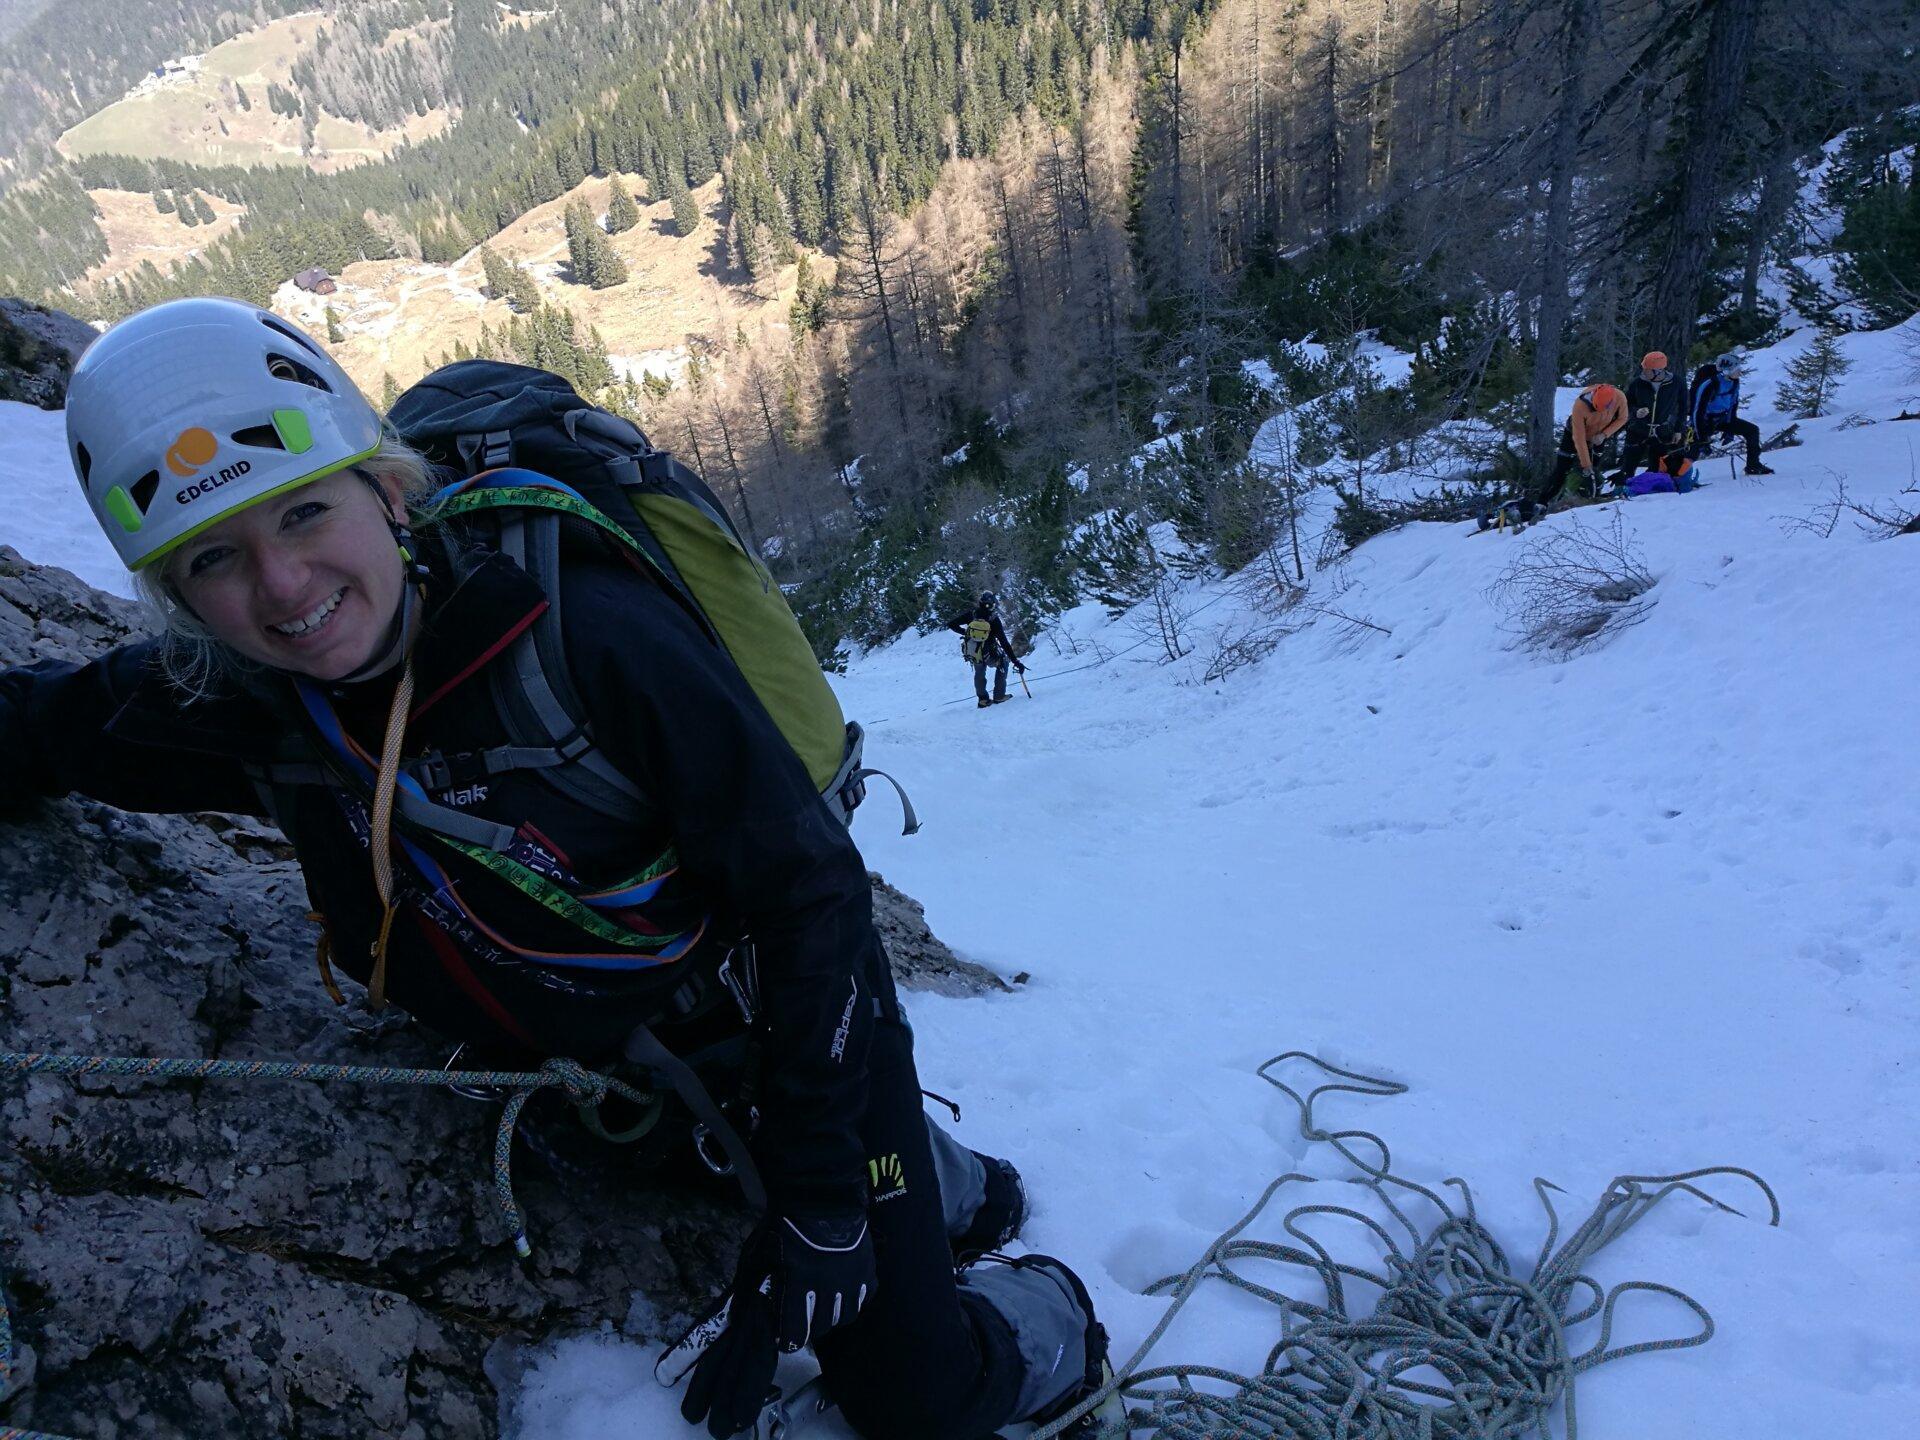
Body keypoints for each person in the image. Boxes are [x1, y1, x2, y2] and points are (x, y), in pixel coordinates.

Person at [0, 298, 1122, 1440]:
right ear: (180, 597)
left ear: (388, 492)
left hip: (781, 1014)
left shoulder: (588, 636)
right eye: (215, 558)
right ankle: (931, 1183)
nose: (283, 586)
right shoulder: (244, 704)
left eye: (304, 512)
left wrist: (825, 1193)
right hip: (609, 1068)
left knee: (919, 1401)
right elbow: (39, 726)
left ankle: (1039, 1297)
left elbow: (813, 896)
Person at [1531, 381, 1627, 513]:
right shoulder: (1580, 405)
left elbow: (1622, 418)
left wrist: (1604, 434)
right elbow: (1579, 439)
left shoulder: (1619, 396)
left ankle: (1586, 497)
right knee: (1562, 468)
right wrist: (1586, 465)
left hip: (1598, 436)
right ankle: (1542, 502)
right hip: (1574, 434)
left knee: (1593, 471)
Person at [1689, 354, 1774, 475]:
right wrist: (1702, 437)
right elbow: (1698, 411)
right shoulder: (1710, 384)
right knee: (1691, 450)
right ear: (1726, 370)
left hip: (1722, 419)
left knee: (1752, 430)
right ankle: (1679, 477)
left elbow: (1733, 404)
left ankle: (1753, 465)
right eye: (1736, 369)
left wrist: (1730, 428)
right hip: (1704, 422)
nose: (1740, 372)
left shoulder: (1734, 382)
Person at [1616, 350, 1688, 486]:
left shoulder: (1677, 383)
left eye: (1647, 370)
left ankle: (1645, 491)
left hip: (1663, 432)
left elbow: (1683, 408)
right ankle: (1621, 490)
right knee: (1628, 467)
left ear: (1659, 371)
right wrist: (1636, 412)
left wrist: (1678, 430)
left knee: (1656, 469)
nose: (1644, 372)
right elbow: (1626, 404)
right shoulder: (1637, 383)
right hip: (1638, 430)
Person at [947, 591, 1024, 708]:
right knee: (1003, 663)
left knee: (979, 673)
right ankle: (999, 696)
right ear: (993, 604)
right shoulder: (994, 619)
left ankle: (983, 700)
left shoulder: (972, 614)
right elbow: (1004, 642)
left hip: (974, 652)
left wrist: (967, 633)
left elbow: (951, 624)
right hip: (990, 653)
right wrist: (1016, 661)